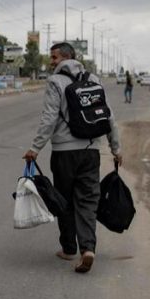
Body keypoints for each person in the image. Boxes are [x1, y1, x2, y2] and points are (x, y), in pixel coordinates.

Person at [22, 42, 122, 274]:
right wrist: (116, 148)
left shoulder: (55, 82)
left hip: (64, 153)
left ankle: (68, 248)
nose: (51, 61)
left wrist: (35, 148)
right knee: (87, 201)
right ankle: (88, 248)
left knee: (64, 200)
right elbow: (108, 116)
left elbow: (49, 119)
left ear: (66, 57)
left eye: (54, 57)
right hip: (91, 152)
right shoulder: (94, 80)